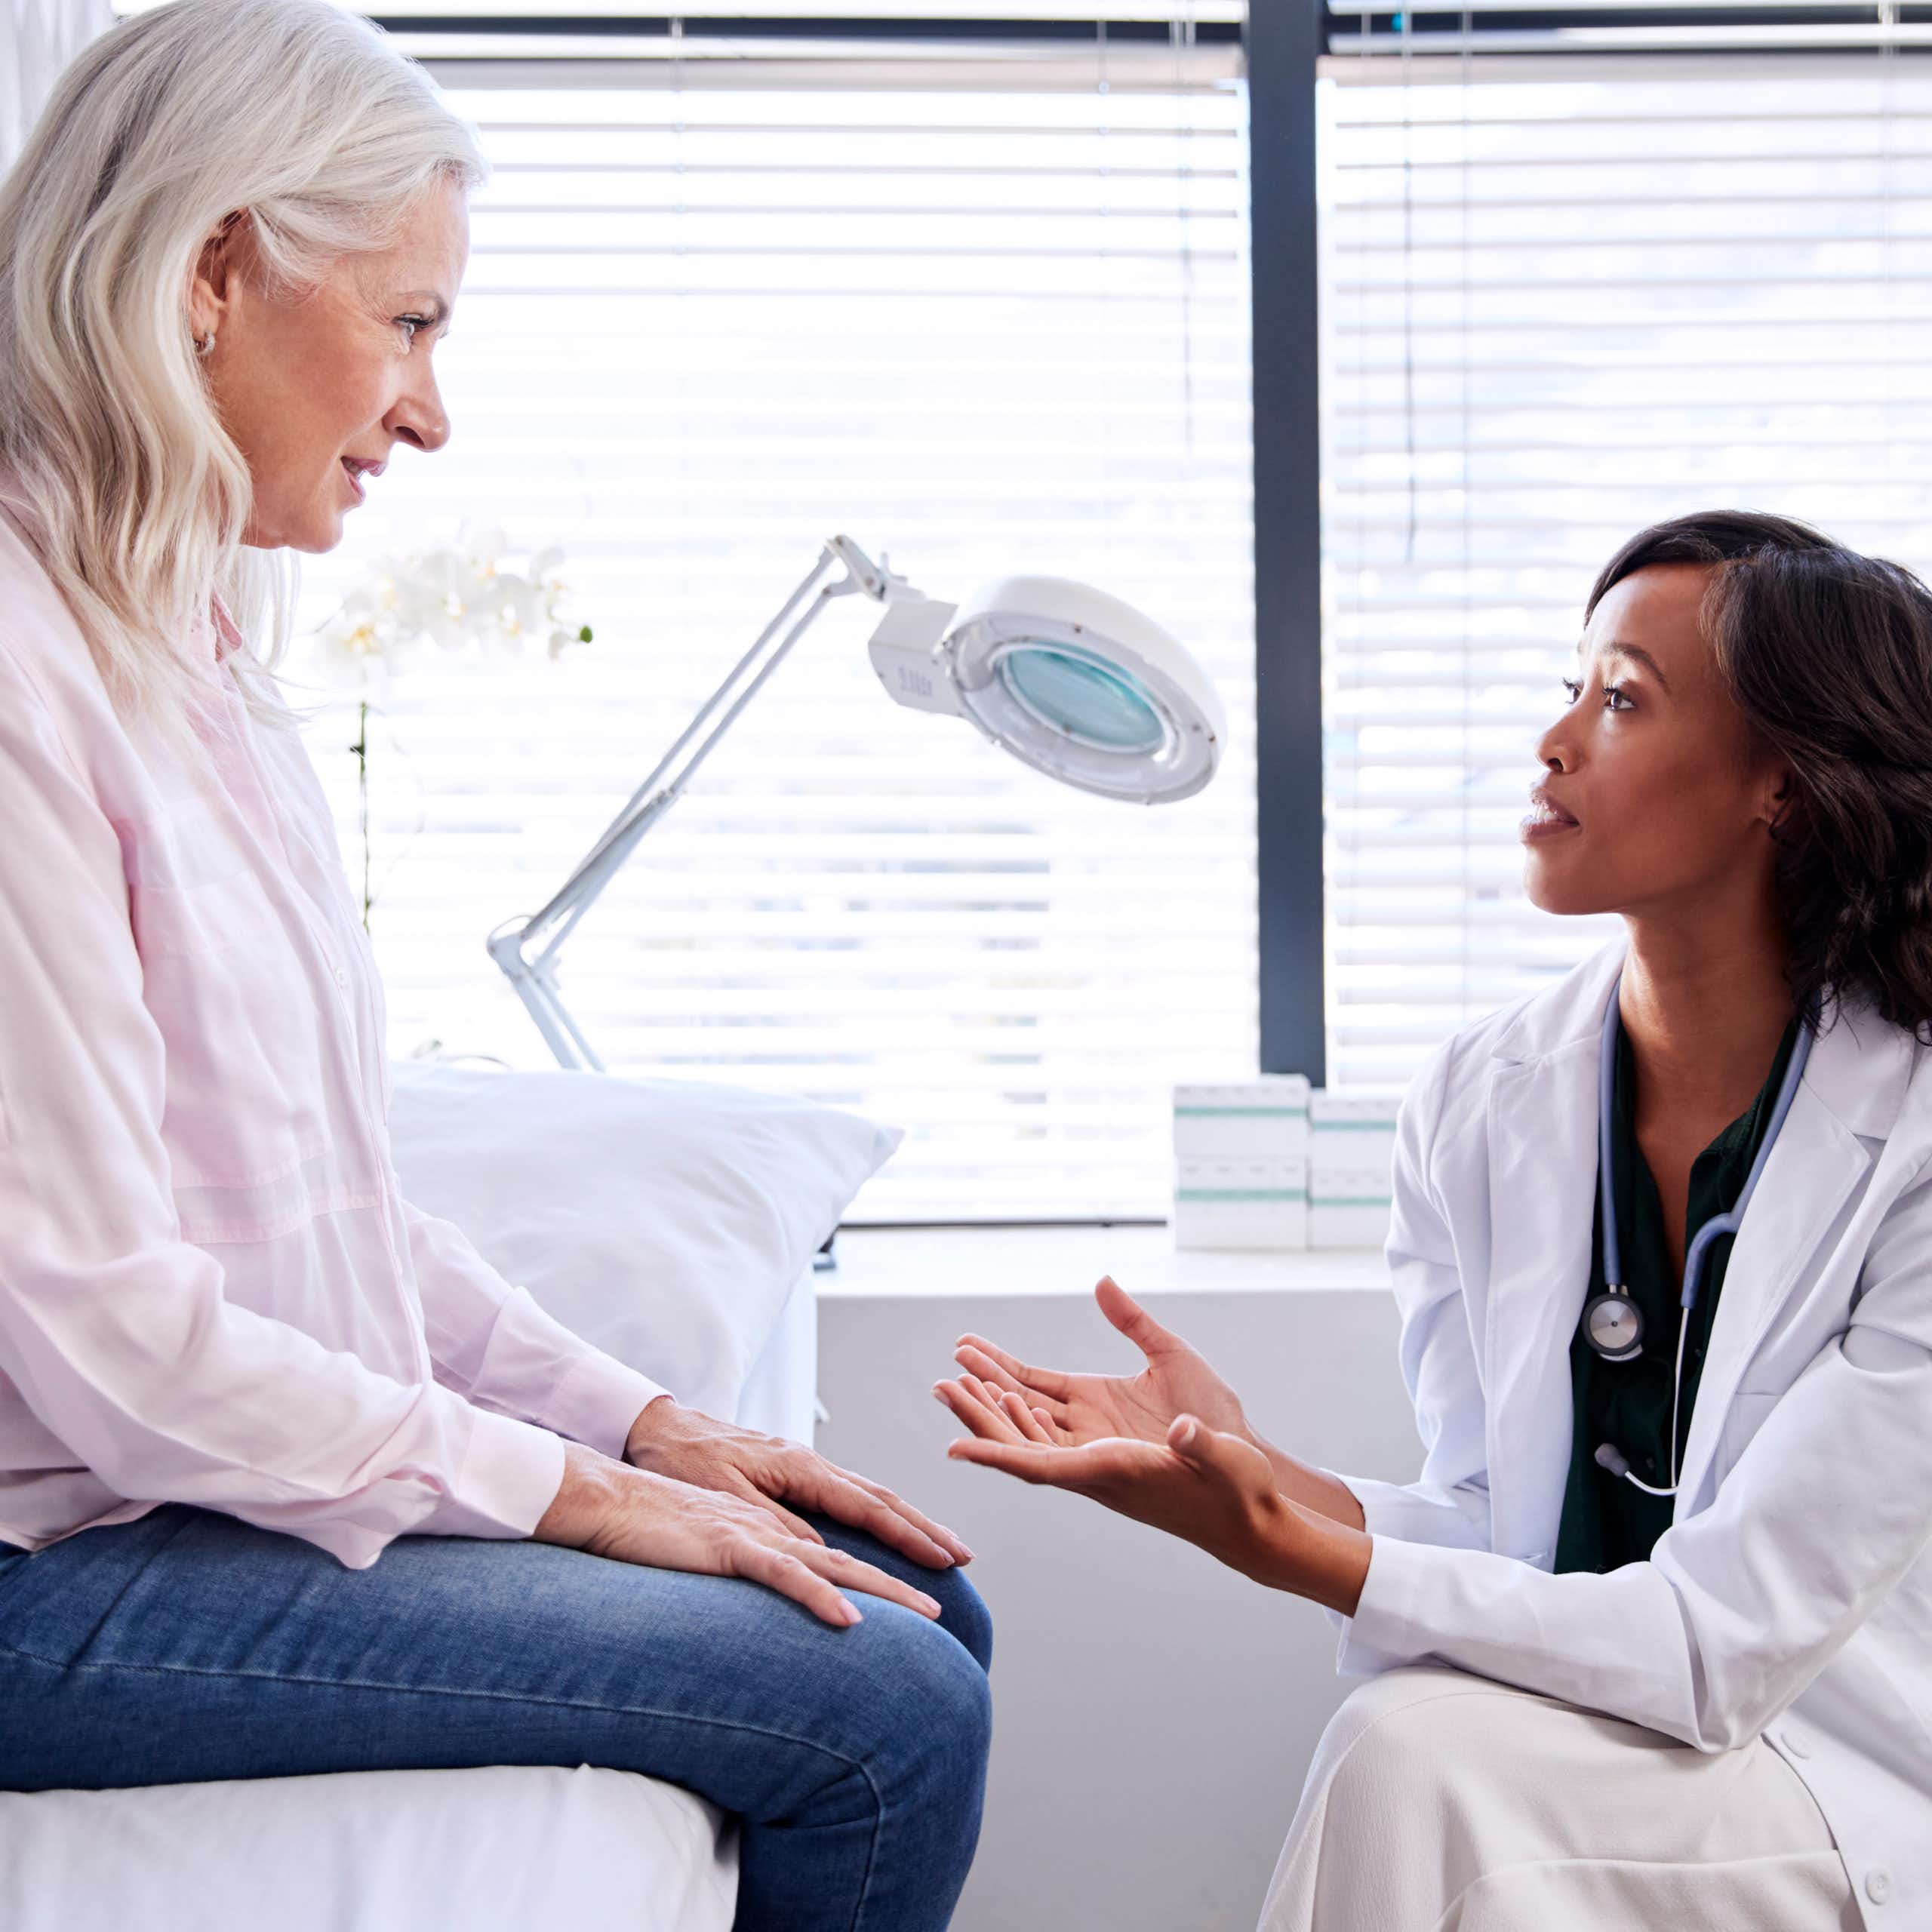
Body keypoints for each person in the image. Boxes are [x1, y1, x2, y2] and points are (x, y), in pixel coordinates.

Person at [0, 5, 989, 1926]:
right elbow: (117, 1333)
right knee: (881, 1714)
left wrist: (642, 1422)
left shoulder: (187, 656)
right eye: (410, 322)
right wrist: (571, 1495)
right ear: (210, 270)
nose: (431, 411)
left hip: (150, 1501)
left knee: (911, 1596)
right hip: (44, 1570)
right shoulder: (22, 681)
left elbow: (326, 1206)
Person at [937, 509, 1932, 1929]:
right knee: (1416, 1745)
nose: (1555, 739)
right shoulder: (1481, 1100)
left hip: (1829, 1773)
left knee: (1413, 1748)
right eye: (1571, 685)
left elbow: (1721, 1648)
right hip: (1593, 1735)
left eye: (1624, 699)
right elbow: (1495, 1524)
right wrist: (1253, 1473)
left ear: (1779, 782)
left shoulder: (1915, 1143)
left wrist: (1286, 1545)